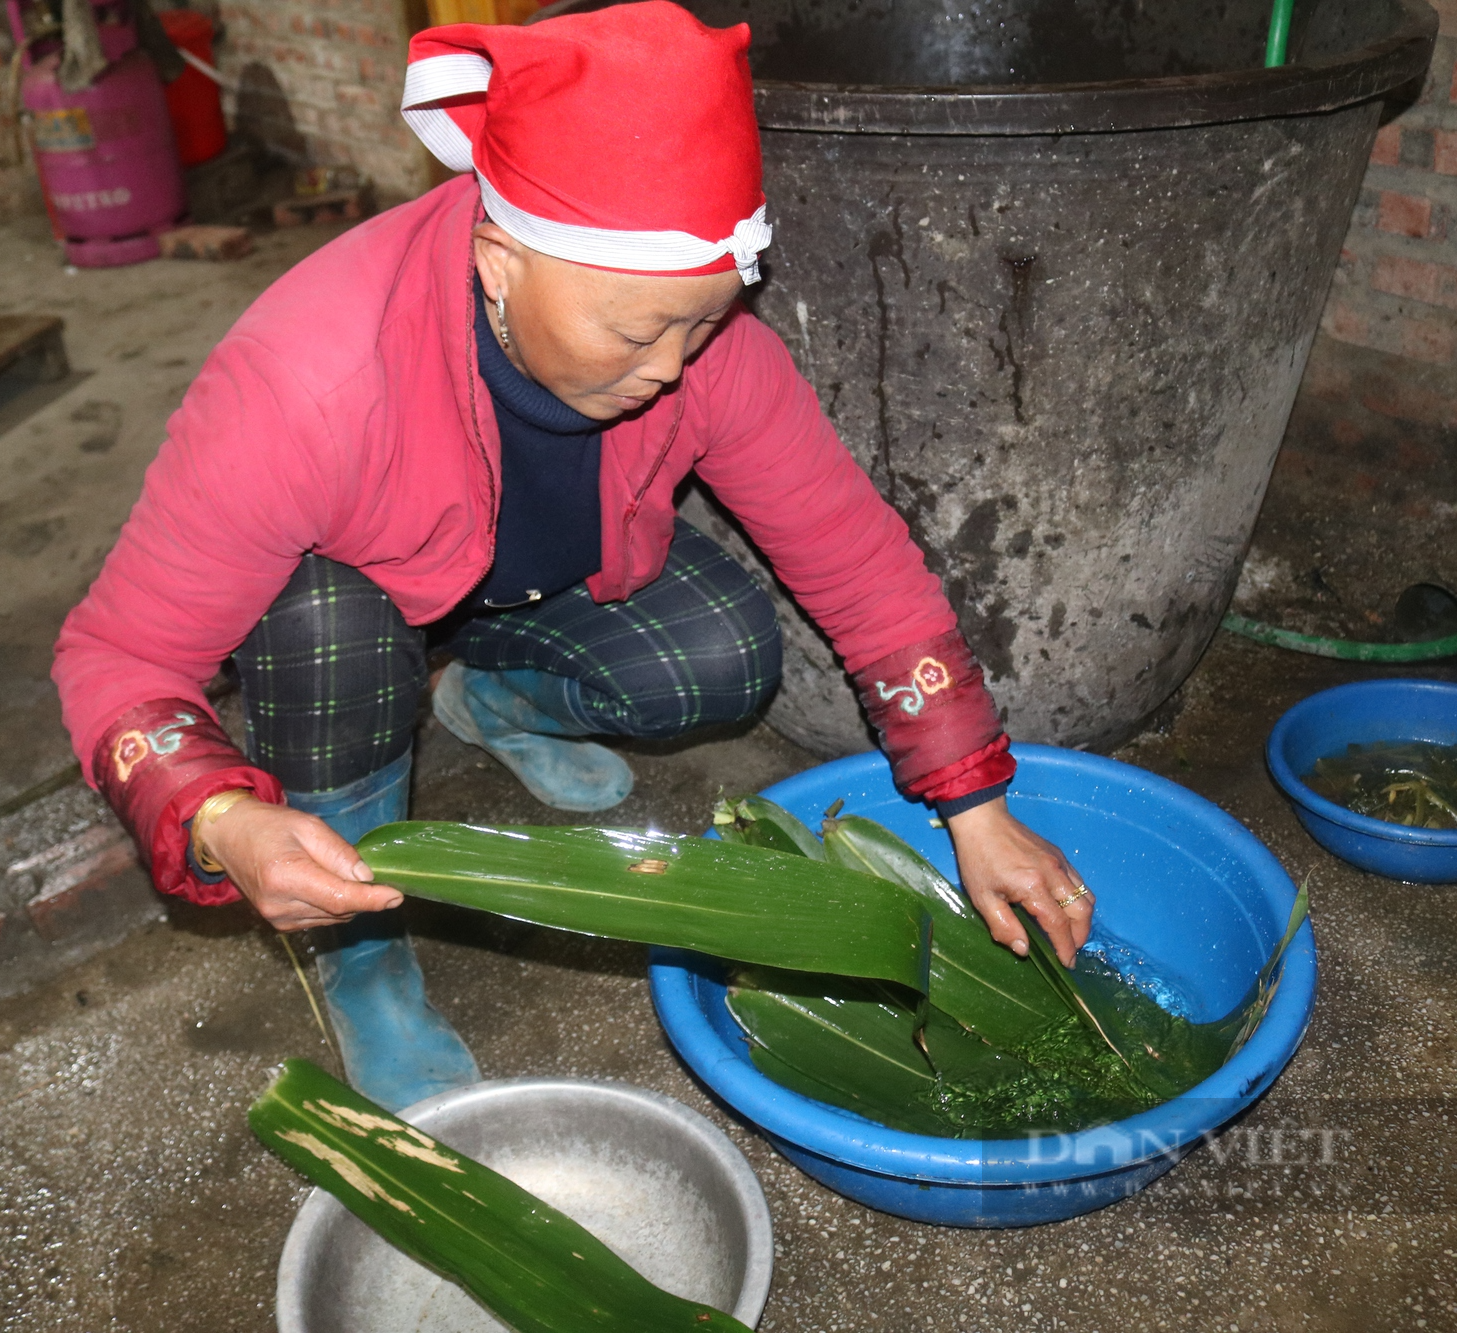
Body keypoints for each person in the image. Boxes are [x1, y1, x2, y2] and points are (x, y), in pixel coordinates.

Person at [53, 0, 1092, 1111]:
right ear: (498, 262)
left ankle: (492, 702)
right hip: (364, 598)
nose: (670, 365)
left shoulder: (703, 353)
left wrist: (972, 804)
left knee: (723, 655)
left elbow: (853, 557)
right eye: (635, 331)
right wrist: (219, 815)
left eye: (701, 323)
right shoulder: (304, 384)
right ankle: (359, 961)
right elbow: (117, 658)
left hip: (528, 582)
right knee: (320, 630)